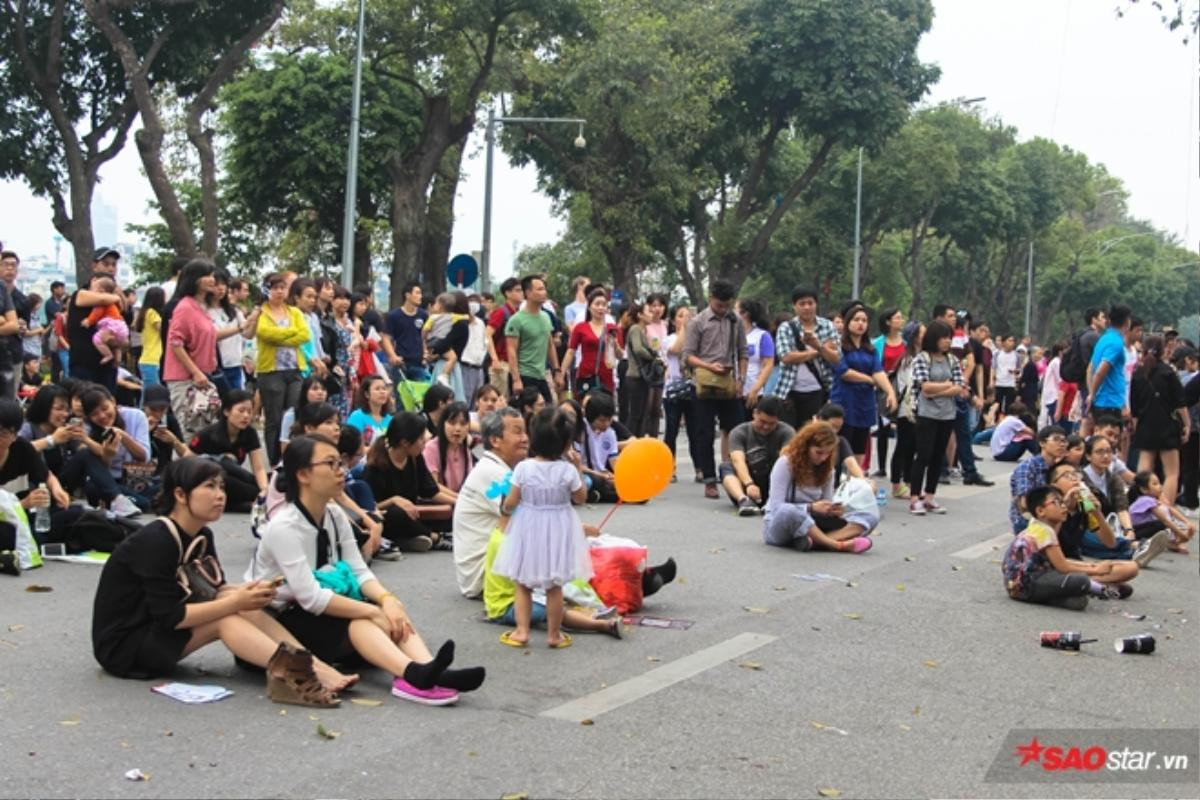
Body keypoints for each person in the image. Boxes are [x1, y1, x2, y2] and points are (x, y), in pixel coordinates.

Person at [247, 434, 484, 705]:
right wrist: (373, 609)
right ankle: (413, 674)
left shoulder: (334, 515)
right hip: (283, 619)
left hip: (320, 608)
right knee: (361, 618)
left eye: (341, 463)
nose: (341, 471)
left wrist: (387, 600)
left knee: (390, 606)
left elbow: (359, 571)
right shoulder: (284, 527)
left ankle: (433, 669)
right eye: (331, 464)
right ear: (303, 474)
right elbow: (310, 597)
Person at [91, 457, 351, 703]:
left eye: (222, 487)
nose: (220, 495)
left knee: (244, 607)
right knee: (226, 617)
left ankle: (314, 664)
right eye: (210, 487)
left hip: (158, 630)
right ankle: (298, 674)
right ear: (180, 495)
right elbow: (171, 615)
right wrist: (235, 600)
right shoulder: (157, 540)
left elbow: (214, 590)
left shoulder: (201, 534)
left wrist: (248, 592)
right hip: (125, 647)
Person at [493, 408, 593, 649]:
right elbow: (580, 498)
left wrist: (506, 512)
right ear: (566, 443)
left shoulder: (524, 468)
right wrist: (578, 468)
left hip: (528, 525)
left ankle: (522, 631)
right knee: (554, 586)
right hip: (559, 526)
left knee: (523, 584)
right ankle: (553, 635)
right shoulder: (567, 470)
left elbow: (512, 500)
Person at [760, 421, 875, 553]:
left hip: (814, 523)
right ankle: (837, 545)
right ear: (805, 447)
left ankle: (814, 542)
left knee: (868, 516)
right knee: (791, 511)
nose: (823, 458)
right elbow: (776, 507)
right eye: (819, 452)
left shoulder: (827, 470)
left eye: (827, 453)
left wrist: (833, 509)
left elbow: (827, 502)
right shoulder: (785, 464)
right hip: (780, 524)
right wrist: (811, 507)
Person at [452, 407, 528, 598]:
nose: (525, 438)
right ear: (495, 440)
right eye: (518, 432)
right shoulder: (493, 473)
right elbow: (528, 520)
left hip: (490, 567)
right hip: (483, 576)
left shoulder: (496, 468)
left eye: (525, 431)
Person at [683, 280, 748, 499]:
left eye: (726, 306)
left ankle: (736, 474)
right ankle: (709, 479)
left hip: (728, 383)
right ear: (711, 299)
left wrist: (740, 380)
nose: (723, 310)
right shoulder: (698, 322)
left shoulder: (735, 320)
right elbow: (688, 356)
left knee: (736, 429)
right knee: (704, 432)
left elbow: (742, 352)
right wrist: (709, 366)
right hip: (702, 383)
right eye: (719, 305)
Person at [363, 413, 456, 552]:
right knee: (397, 514)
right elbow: (370, 508)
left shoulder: (415, 458)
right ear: (405, 442)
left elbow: (431, 490)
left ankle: (410, 538)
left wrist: (459, 502)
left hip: (413, 512)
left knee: (447, 511)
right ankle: (435, 537)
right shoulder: (376, 465)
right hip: (389, 517)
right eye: (420, 438)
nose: (425, 441)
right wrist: (394, 500)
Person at [1044, 461, 1138, 596]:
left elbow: (1110, 543)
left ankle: (1084, 583)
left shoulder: (1083, 506)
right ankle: (1084, 584)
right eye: (1067, 476)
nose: (1074, 479)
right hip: (1053, 562)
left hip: (1074, 561)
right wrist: (1064, 508)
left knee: (1131, 568)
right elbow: (1049, 540)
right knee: (1121, 584)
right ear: (1054, 485)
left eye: (1075, 474)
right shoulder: (1050, 507)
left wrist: (1097, 512)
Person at [1001, 486, 1100, 611]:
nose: (1063, 507)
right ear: (1041, 511)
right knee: (1082, 581)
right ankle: (1049, 595)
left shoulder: (1035, 526)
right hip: (1027, 584)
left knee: (1079, 601)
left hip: (1014, 586)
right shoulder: (1045, 531)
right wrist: (1097, 570)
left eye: (1063, 503)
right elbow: (1063, 566)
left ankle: (1053, 597)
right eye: (1056, 502)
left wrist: (1091, 567)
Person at [907, 321, 963, 516]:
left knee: (938, 456)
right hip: (926, 414)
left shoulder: (953, 360)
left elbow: (959, 387)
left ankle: (930, 496)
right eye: (944, 337)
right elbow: (925, 388)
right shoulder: (922, 359)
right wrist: (946, 386)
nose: (947, 341)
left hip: (947, 414)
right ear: (934, 338)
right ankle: (915, 498)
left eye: (950, 338)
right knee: (923, 455)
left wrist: (940, 388)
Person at [256, 272, 311, 465]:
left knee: (293, 413)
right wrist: (290, 333)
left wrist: (281, 336)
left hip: (295, 369)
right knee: (274, 418)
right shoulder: (261, 312)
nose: (280, 292)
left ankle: (291, 458)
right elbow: (264, 333)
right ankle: (273, 460)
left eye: (283, 288)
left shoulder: (294, 312)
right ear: (266, 290)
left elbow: (304, 335)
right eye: (275, 288)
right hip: (271, 372)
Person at [830, 304, 896, 462]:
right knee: (842, 444)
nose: (860, 323)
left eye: (864, 320)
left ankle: (856, 479)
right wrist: (869, 379)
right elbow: (844, 372)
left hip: (864, 402)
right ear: (848, 323)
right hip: (845, 400)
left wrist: (890, 392)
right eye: (856, 319)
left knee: (860, 445)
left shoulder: (870, 349)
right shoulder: (838, 346)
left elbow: (878, 371)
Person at [1130, 334, 1188, 513]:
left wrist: (1136, 427)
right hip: (1166, 427)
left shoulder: (1138, 374)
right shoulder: (1168, 372)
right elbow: (1180, 404)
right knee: (1171, 473)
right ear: (1163, 351)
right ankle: (1166, 510)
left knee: (1144, 469)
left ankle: (1141, 506)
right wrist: (1186, 424)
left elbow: (1134, 407)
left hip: (1145, 426)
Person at [163, 260, 220, 439]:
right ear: (194, 279)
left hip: (203, 377)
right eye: (206, 275)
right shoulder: (184, 307)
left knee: (207, 433)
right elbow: (175, 342)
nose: (212, 279)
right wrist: (195, 372)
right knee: (193, 435)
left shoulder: (202, 307)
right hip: (185, 379)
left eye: (212, 275)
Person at [0, 398, 71, 540]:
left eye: (3, 433)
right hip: (7, 521)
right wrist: (23, 504)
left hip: (21, 517)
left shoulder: (22, 449)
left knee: (72, 515)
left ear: (15, 435)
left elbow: (46, 475)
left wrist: (57, 489)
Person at [186, 389, 268, 512]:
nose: (246, 416)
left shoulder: (250, 433)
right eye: (241, 411)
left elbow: (259, 468)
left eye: (249, 412)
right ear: (226, 411)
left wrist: (264, 489)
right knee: (225, 465)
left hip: (236, 480)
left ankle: (255, 501)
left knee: (263, 482)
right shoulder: (207, 434)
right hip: (210, 482)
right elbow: (186, 462)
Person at [770, 286, 839, 427]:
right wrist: (820, 350)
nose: (807, 307)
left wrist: (816, 345)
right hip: (788, 390)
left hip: (818, 390)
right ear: (794, 306)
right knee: (788, 437)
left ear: (816, 304)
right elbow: (786, 357)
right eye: (802, 304)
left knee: (811, 436)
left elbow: (836, 358)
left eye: (810, 303)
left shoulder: (828, 326)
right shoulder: (786, 327)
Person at [720, 396, 794, 516]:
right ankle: (743, 501)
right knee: (725, 467)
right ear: (755, 414)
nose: (766, 427)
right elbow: (737, 460)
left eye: (771, 424)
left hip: (774, 483)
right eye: (762, 422)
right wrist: (749, 484)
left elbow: (785, 460)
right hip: (748, 483)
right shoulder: (739, 432)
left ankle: (774, 502)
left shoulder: (786, 432)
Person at [66, 270, 126, 391]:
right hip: (84, 363)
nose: (101, 291)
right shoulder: (80, 294)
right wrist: (116, 297)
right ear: (93, 281)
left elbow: (124, 341)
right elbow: (103, 300)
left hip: (107, 368)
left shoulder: (111, 305)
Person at [505, 274, 560, 402]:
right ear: (528, 293)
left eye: (544, 289)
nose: (544, 292)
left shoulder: (546, 317)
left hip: (541, 375)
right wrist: (516, 379)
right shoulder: (516, 320)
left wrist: (557, 371)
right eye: (539, 289)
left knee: (548, 413)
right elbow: (511, 351)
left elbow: (550, 345)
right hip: (524, 376)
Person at [662, 304, 699, 482]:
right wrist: (685, 328)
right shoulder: (669, 339)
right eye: (680, 315)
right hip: (673, 390)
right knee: (671, 430)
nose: (685, 318)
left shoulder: (697, 338)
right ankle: (669, 467)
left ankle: (699, 467)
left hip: (693, 387)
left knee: (695, 430)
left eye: (688, 315)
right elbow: (675, 350)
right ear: (673, 320)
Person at [1008, 425, 1069, 532]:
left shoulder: (1058, 466)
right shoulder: (1028, 466)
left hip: (1051, 514)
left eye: (1064, 441)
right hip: (1028, 518)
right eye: (1056, 439)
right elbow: (1024, 503)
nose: (1061, 444)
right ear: (1042, 443)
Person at [560, 288, 617, 396]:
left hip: (606, 375)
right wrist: (561, 373)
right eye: (597, 304)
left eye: (604, 305)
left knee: (605, 409)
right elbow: (571, 351)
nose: (601, 308)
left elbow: (617, 354)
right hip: (586, 374)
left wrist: (615, 344)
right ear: (589, 306)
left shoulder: (612, 328)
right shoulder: (581, 327)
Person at [871, 308, 907, 477]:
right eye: (897, 318)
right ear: (888, 322)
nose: (901, 320)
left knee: (903, 427)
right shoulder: (878, 343)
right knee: (883, 427)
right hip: (883, 389)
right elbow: (874, 365)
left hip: (903, 389)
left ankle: (899, 466)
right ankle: (882, 466)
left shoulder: (906, 344)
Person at [207, 269, 255, 392]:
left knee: (235, 403)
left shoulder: (233, 311)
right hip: (216, 366)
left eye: (223, 284)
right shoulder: (204, 311)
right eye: (216, 285)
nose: (221, 288)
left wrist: (254, 320)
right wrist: (240, 328)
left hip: (235, 364)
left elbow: (248, 334)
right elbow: (213, 335)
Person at [623, 300, 666, 438]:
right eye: (648, 311)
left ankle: (638, 440)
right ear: (640, 315)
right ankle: (630, 441)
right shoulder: (636, 329)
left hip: (641, 377)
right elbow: (638, 349)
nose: (651, 314)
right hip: (635, 376)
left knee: (642, 413)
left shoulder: (642, 330)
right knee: (636, 414)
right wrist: (653, 357)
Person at [888, 322, 921, 499]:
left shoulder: (918, 356)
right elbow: (909, 385)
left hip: (916, 410)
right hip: (906, 409)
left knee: (912, 447)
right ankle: (896, 484)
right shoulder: (909, 359)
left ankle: (908, 482)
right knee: (903, 446)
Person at [1128, 470, 1196, 553]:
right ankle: (1173, 542)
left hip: (1144, 528)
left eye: (1159, 483)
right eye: (1155, 484)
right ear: (1144, 489)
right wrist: (1183, 535)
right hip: (1136, 532)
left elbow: (1170, 509)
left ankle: (1174, 542)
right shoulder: (1146, 500)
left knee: (1171, 521)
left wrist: (1187, 522)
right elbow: (1165, 521)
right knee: (1162, 524)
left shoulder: (1151, 499)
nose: (1160, 486)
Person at [1088, 304, 1133, 423]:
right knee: (1109, 439)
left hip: (1104, 401)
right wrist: (1092, 395)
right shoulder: (1116, 343)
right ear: (1127, 322)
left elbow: (1090, 368)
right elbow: (1100, 371)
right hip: (1110, 403)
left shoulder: (1103, 339)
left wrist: (1091, 393)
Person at [424, 291, 470, 401]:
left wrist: (432, 350)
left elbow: (443, 344)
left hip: (447, 365)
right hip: (447, 363)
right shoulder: (457, 322)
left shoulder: (459, 324)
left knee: (445, 399)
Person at [422, 401, 474, 496]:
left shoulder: (466, 451)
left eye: (463, 424)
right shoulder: (431, 448)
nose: (458, 428)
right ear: (443, 424)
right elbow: (433, 485)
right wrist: (460, 499)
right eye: (452, 423)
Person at [485, 277, 523, 398]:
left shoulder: (517, 314)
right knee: (499, 400)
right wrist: (495, 359)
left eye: (521, 290)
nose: (521, 293)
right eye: (517, 290)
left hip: (513, 364)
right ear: (507, 293)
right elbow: (487, 334)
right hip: (501, 364)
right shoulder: (501, 312)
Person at [384, 282, 429, 382]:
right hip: (401, 363)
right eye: (417, 293)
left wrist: (426, 354)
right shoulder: (394, 316)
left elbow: (425, 337)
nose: (420, 296)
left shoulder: (423, 315)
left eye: (421, 293)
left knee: (419, 396)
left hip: (419, 363)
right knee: (400, 395)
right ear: (407, 295)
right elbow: (386, 338)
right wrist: (392, 356)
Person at [737, 299, 775, 414]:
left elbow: (768, 365)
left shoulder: (762, 336)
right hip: (732, 391)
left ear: (744, 313)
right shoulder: (730, 335)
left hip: (752, 392)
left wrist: (755, 389)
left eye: (735, 309)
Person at [279, 376, 330, 455]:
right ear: (305, 392)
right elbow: (285, 446)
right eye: (315, 389)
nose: (320, 392)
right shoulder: (292, 414)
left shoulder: (330, 414)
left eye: (323, 389)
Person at [134, 287, 166, 389]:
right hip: (152, 359)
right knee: (152, 393)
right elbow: (163, 329)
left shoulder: (145, 312)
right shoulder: (151, 313)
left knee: (148, 393)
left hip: (148, 358)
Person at [991, 335, 1020, 415]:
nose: (1012, 343)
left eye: (1013, 341)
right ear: (1003, 342)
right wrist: (991, 381)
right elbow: (993, 368)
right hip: (999, 383)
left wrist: (1015, 372)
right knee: (997, 405)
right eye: (1009, 341)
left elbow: (1019, 369)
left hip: (1010, 384)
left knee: (1009, 406)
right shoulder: (997, 354)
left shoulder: (1016, 355)